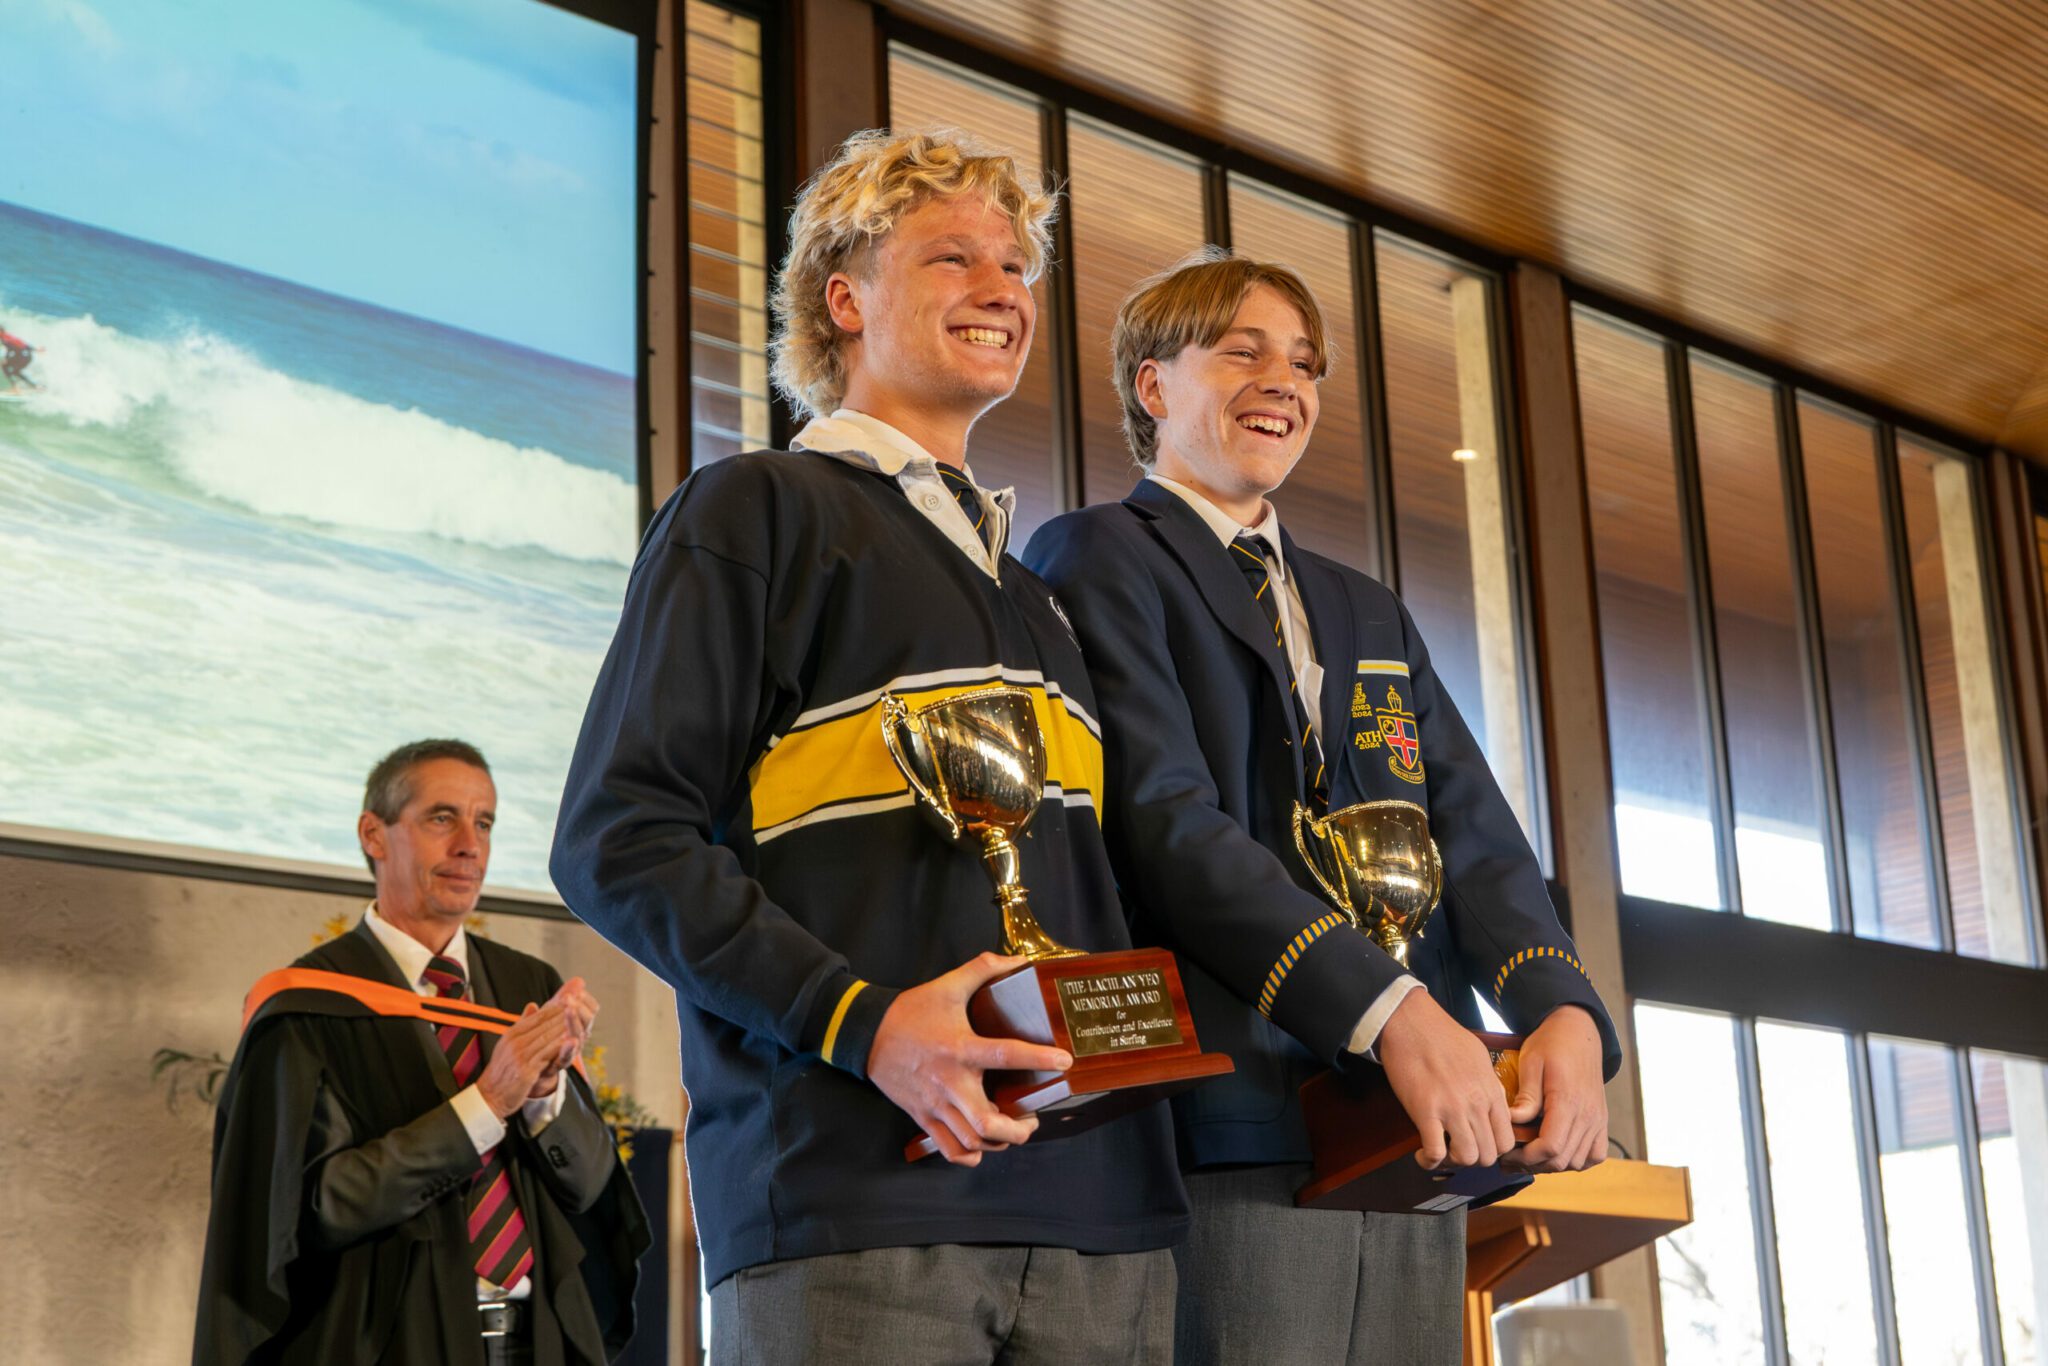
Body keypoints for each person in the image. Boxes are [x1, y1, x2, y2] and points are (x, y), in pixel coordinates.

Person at [552, 129, 1187, 1364]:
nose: (1002, 288)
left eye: (1016, 266)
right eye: (953, 258)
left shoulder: (1038, 596)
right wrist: (864, 1021)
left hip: (1101, 1215)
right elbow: (616, 839)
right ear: (842, 300)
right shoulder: (756, 509)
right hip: (851, 1196)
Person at [1024, 249, 1622, 1365]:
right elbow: (1165, 825)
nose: (1282, 382)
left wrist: (1564, 1013)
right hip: (1241, 1115)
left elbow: (1474, 840)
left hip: (1418, 1119)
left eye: (1303, 363)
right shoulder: (1098, 553)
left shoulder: (1365, 607)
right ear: (1152, 386)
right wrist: (1386, 1008)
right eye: (1240, 352)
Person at [193, 739, 649, 1366]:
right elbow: (320, 1206)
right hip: (390, 1341)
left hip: (538, 1339)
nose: (470, 845)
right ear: (373, 835)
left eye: (484, 823)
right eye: (442, 818)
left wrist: (544, 1095)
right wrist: (489, 1102)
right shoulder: (310, 1005)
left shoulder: (527, 986)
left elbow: (591, 1184)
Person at [1, 325, 36, 389]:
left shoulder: (5, 339)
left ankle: (15, 387)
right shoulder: (9, 336)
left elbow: (11, 348)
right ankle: (33, 386)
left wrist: (6, 358)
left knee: (6, 367)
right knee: (15, 371)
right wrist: (35, 349)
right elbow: (24, 345)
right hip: (26, 356)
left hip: (23, 357)